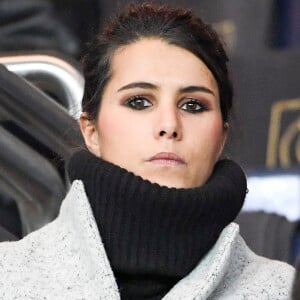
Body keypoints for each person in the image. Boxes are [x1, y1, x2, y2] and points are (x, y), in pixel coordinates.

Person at [0, 3, 295, 299]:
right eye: (139, 102)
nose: (169, 125)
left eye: (193, 105)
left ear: (221, 138)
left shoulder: (283, 289)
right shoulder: (8, 277)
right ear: (91, 131)